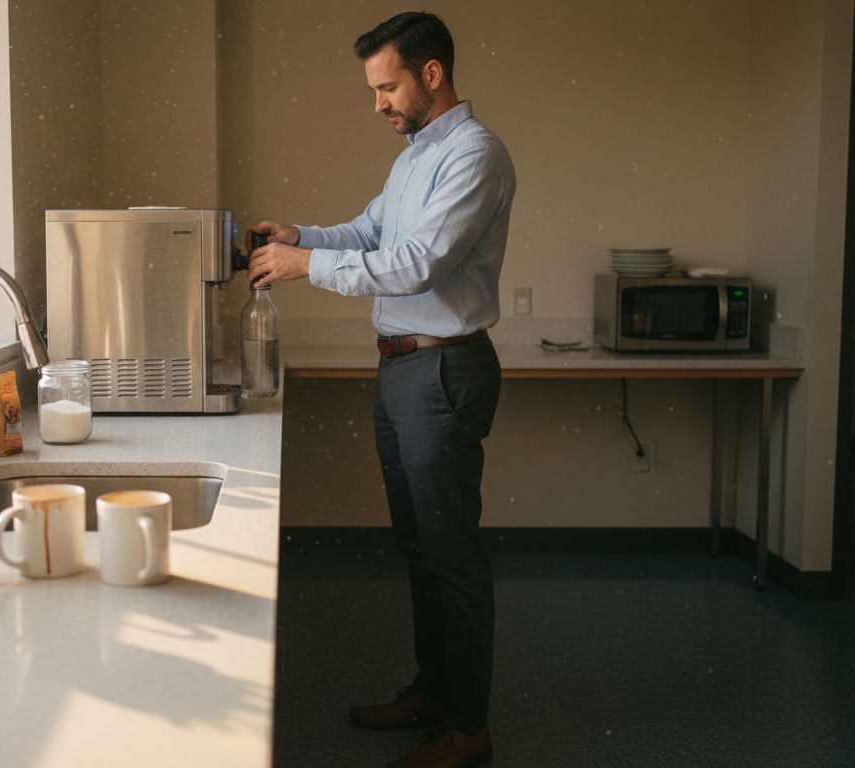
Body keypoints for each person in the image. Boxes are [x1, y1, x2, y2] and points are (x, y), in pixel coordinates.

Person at [247, 10, 514, 768]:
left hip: (442, 368)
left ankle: (469, 731)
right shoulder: (412, 158)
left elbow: (418, 263)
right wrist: (300, 237)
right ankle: (434, 690)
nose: (379, 104)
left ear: (432, 73)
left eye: (387, 86)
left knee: (451, 554)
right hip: (401, 369)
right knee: (421, 548)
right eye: (374, 89)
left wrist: (306, 271)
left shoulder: (475, 154)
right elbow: (370, 235)